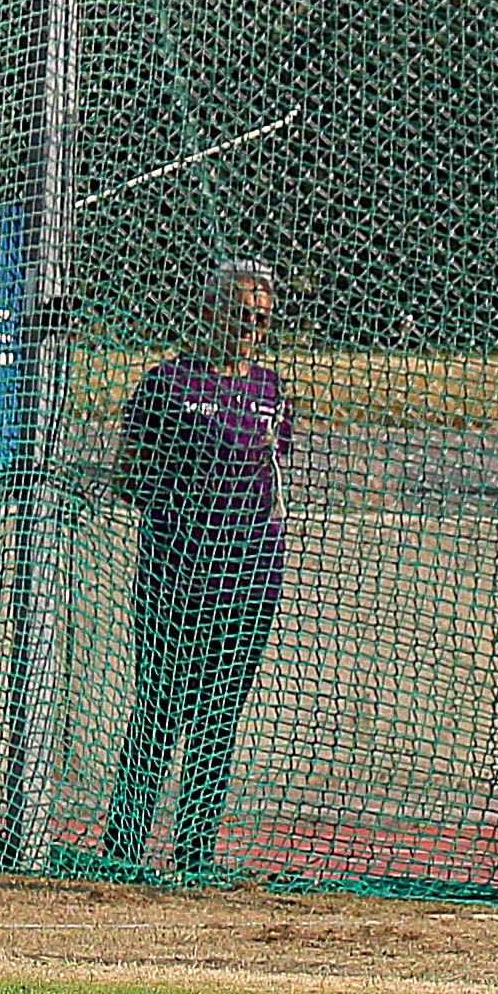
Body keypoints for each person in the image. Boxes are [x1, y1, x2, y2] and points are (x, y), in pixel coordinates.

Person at [104, 260, 288, 877]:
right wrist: (182, 496)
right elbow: (127, 475)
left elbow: (273, 477)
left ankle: (193, 857)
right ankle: (124, 851)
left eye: (261, 319)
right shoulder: (166, 384)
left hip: (252, 575)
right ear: (209, 311)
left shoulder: (271, 389)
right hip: (177, 571)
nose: (250, 329)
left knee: (218, 720)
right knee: (159, 712)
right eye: (240, 315)